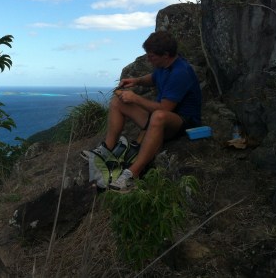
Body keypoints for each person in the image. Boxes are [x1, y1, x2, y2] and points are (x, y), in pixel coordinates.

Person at [81, 30, 202, 191]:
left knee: (158, 116)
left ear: (165, 55)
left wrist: (136, 98)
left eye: (151, 56)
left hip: (182, 123)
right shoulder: (164, 66)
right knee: (118, 101)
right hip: (157, 118)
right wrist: (136, 81)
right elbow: (153, 78)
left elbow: (164, 110)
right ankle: (106, 150)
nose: (148, 59)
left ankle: (132, 174)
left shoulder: (180, 72)